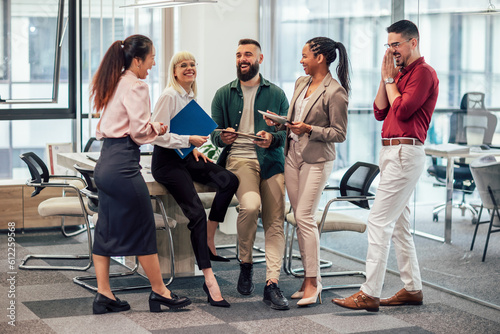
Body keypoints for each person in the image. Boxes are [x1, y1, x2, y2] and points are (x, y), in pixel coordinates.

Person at [332, 20, 439, 312]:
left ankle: (370, 292)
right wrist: (385, 77)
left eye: (396, 44)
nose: (392, 50)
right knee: (400, 224)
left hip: (406, 151)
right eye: (388, 45)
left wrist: (392, 82)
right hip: (392, 152)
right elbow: (381, 110)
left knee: (378, 221)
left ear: (413, 43)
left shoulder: (424, 73)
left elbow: (403, 110)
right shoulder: (399, 74)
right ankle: (413, 287)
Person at [90, 34, 191, 314]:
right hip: (123, 164)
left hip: (105, 163)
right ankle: (160, 292)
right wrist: (157, 128)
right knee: (145, 226)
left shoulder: (114, 81)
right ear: (137, 60)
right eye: (151, 58)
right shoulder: (136, 85)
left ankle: (104, 295)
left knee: (106, 229)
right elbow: (138, 131)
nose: (154, 63)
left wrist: (149, 126)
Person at [265, 37, 349, 306]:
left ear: (320, 58)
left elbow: (339, 134)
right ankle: (307, 280)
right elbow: (294, 122)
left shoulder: (335, 92)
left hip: (316, 159)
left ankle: (314, 282)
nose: (301, 61)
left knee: (304, 215)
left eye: (305, 56)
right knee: (301, 219)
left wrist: (310, 129)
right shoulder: (302, 83)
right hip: (293, 155)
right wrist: (279, 124)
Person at [151, 51, 239, 308]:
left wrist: (192, 147)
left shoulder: (188, 96)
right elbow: (156, 136)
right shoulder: (169, 95)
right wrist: (188, 141)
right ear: (174, 71)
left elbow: (181, 132)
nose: (189, 68)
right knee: (196, 214)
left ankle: (210, 237)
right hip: (167, 163)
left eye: (192, 64)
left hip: (185, 156)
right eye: (183, 65)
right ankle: (209, 278)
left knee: (229, 180)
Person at [210, 38, 290, 310]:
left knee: (275, 220)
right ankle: (245, 263)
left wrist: (272, 137)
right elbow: (214, 135)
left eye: (248, 55)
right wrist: (224, 138)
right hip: (239, 160)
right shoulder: (224, 94)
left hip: (270, 161)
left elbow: (286, 132)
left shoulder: (276, 94)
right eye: (238, 55)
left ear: (260, 59)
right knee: (250, 205)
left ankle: (272, 282)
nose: (242, 59)